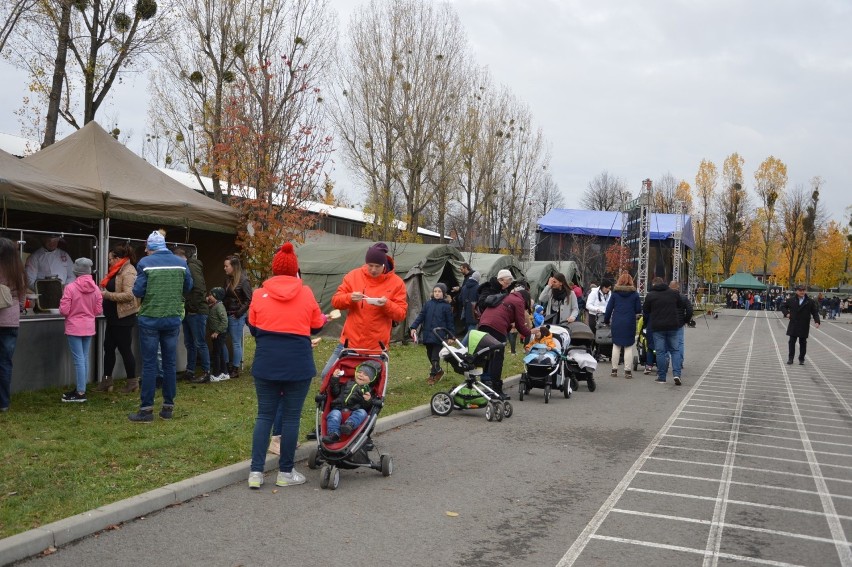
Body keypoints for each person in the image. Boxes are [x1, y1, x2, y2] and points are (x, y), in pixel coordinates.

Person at [247, 243, 328, 489]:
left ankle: (256, 472)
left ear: (273, 270)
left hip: (266, 362)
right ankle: (285, 472)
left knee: (264, 415)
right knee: (291, 418)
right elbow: (316, 325)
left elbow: (253, 328)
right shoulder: (306, 293)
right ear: (295, 271)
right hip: (297, 362)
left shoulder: (258, 294)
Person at [128, 231, 192, 422]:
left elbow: (137, 290)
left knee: (149, 364)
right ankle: (167, 408)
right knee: (170, 363)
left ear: (151, 247)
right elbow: (188, 286)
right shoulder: (181, 263)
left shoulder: (145, 264)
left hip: (150, 318)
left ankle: (146, 410)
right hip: (172, 318)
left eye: (147, 247)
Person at [320, 242, 408, 380]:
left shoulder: (396, 283)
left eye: (377, 266)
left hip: (376, 347)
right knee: (327, 375)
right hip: (349, 343)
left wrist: (387, 304)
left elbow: (401, 314)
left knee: (365, 382)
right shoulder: (353, 276)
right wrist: (349, 298)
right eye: (370, 265)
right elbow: (335, 301)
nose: (373, 270)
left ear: (384, 264)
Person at [477, 283, 535, 399]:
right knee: (497, 358)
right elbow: (520, 325)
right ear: (526, 299)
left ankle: (487, 384)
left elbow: (505, 318)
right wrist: (532, 332)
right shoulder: (519, 301)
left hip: (483, 324)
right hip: (496, 327)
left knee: (488, 355)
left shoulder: (507, 297)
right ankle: (496, 389)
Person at [59, 258, 103, 402]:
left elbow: (64, 310)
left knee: (79, 360)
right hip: (89, 327)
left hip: (74, 327)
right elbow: (98, 310)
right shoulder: (96, 288)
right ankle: (81, 388)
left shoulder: (70, 288)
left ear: (76, 271)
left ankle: (80, 393)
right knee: (84, 358)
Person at [97, 243, 139, 394]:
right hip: (113, 316)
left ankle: (132, 382)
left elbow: (129, 295)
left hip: (124, 317)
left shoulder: (129, 271)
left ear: (118, 258)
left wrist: (107, 295)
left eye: (110, 259)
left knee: (125, 349)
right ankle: (107, 381)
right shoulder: (116, 270)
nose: (108, 262)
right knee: (108, 348)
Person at [172, 248, 211, 383]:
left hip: (197, 311)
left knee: (199, 342)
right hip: (190, 310)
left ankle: (206, 373)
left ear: (180, 257)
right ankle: (190, 371)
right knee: (189, 343)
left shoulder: (192, 266)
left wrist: (193, 307)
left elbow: (199, 288)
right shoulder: (187, 266)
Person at [321, 360, 381, 443]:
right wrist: (335, 379)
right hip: (339, 409)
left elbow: (367, 407)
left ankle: (349, 425)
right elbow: (335, 392)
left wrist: (368, 400)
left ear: (371, 379)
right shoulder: (347, 383)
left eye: (366, 374)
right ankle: (334, 434)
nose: (361, 375)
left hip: (355, 411)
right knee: (333, 414)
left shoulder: (369, 391)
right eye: (359, 372)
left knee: (362, 412)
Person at [642, 276, 687, 385]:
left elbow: (645, 310)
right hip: (673, 325)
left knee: (660, 352)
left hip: (658, 327)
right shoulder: (673, 294)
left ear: (653, 284)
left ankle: (662, 377)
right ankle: (677, 374)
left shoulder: (650, 295)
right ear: (664, 283)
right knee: (675, 350)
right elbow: (681, 305)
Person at [410, 283, 454, 385]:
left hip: (439, 336)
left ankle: (432, 375)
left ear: (443, 293)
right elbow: (421, 316)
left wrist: (451, 336)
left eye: (439, 292)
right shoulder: (428, 304)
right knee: (430, 355)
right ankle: (439, 371)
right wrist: (413, 327)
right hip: (428, 334)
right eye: (435, 291)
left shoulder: (446, 306)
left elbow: (450, 322)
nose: (437, 293)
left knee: (435, 357)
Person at [0, 237, 26, 412]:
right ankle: (3, 403)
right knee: (5, 363)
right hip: (11, 320)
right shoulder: (19, 269)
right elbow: (23, 296)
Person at [603, 272, 641, 379]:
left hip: (617, 321)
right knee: (628, 346)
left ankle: (614, 370)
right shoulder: (635, 294)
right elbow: (638, 309)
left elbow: (609, 309)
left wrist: (606, 320)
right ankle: (627, 371)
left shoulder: (615, 294)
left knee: (616, 345)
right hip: (629, 322)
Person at [223, 254, 253, 378]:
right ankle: (226, 365)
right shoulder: (228, 279)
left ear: (234, 267)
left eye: (226, 266)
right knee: (222, 340)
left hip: (236, 316)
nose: (224, 268)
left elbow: (248, 300)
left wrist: (238, 313)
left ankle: (235, 368)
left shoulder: (244, 280)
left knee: (236, 342)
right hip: (226, 314)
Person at [781, 284, 820, 365]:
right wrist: (787, 314)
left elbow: (815, 312)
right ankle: (790, 358)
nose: (802, 292)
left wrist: (817, 321)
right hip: (794, 323)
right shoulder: (791, 300)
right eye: (800, 290)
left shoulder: (810, 301)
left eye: (803, 290)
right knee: (791, 342)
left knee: (803, 342)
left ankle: (801, 358)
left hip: (804, 324)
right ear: (797, 291)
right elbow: (783, 306)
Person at [206, 287, 229, 382]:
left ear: (216, 296)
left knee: (216, 354)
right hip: (217, 334)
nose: (209, 296)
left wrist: (217, 332)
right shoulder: (214, 305)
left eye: (211, 295)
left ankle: (216, 374)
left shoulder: (219, 306)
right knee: (220, 353)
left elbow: (224, 321)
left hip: (219, 334)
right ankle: (225, 373)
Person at [669, 280, 693, 362]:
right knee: (680, 343)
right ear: (678, 287)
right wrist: (686, 320)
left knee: (667, 342)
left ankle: (666, 360)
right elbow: (690, 310)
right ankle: (680, 360)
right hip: (679, 322)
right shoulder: (683, 297)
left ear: (669, 287)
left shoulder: (665, 297)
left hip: (667, 322)